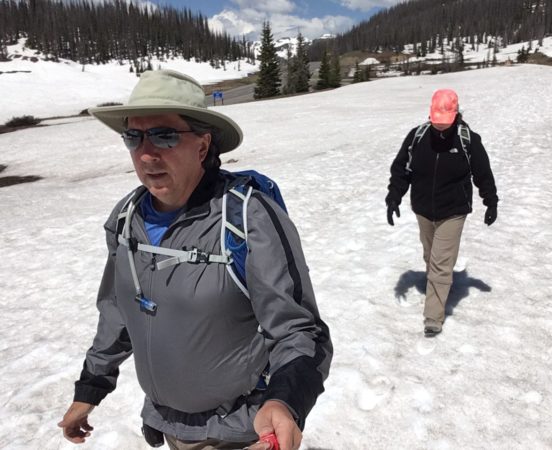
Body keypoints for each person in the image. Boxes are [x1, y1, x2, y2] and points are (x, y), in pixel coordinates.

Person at [58, 69, 333, 450]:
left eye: (164, 135)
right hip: (169, 425)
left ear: (203, 147)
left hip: (240, 431)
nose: (146, 153)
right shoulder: (126, 218)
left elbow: (299, 331)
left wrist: (284, 402)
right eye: (134, 137)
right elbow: (119, 311)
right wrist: (90, 388)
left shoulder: (247, 218)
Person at [386, 88, 498, 337]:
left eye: (445, 122)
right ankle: (440, 282)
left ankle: (433, 318)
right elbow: (401, 169)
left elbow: (483, 173)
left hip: (453, 211)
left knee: (440, 264)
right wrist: (394, 197)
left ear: (456, 115)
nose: (440, 126)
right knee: (431, 256)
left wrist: (491, 201)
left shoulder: (467, 140)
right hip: (423, 210)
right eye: (437, 120)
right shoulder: (417, 136)